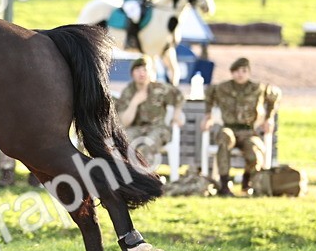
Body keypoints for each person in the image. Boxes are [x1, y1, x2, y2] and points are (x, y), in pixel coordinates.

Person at [200, 57, 282, 196]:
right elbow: (208, 94)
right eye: (236, 71)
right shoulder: (222, 88)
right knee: (223, 139)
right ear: (232, 73)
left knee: (254, 151)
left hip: (248, 131)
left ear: (249, 72)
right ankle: (224, 184)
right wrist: (208, 115)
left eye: (244, 71)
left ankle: (247, 181)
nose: (240, 74)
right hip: (229, 128)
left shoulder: (258, 88)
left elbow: (275, 96)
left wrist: (269, 118)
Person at [114, 56, 184, 166]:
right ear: (132, 74)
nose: (142, 73)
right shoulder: (128, 92)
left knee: (147, 145)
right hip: (136, 128)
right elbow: (125, 122)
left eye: (145, 70)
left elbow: (179, 96)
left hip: (158, 128)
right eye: (138, 70)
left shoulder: (160, 88)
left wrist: (176, 115)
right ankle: (128, 177)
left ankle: (146, 178)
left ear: (151, 72)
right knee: (123, 143)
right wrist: (135, 102)